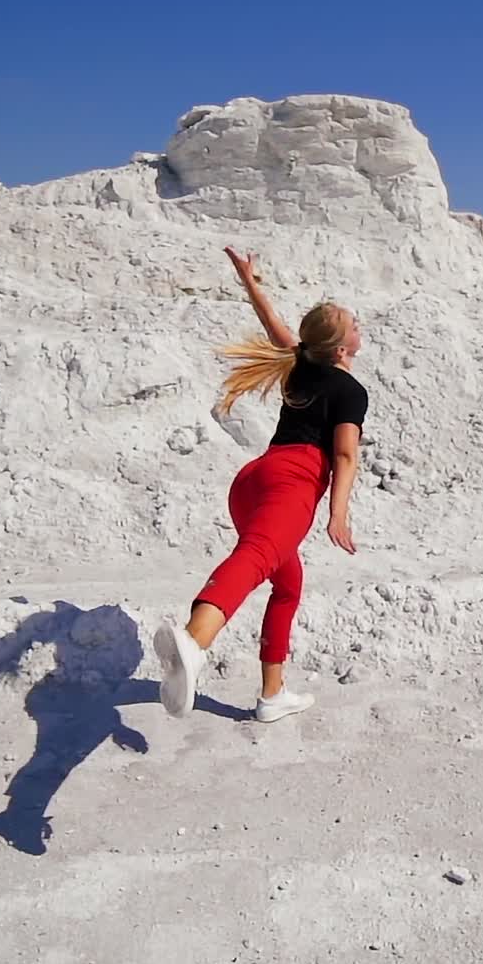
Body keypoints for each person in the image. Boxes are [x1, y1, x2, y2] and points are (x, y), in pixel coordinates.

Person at [153, 247, 366, 723]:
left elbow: (273, 324)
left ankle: (273, 696)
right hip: (291, 484)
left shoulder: (299, 362)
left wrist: (249, 281)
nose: (359, 326)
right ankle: (195, 639)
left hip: (254, 482)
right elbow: (346, 455)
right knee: (252, 561)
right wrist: (337, 514)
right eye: (354, 324)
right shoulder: (350, 390)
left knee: (287, 584)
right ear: (340, 348)